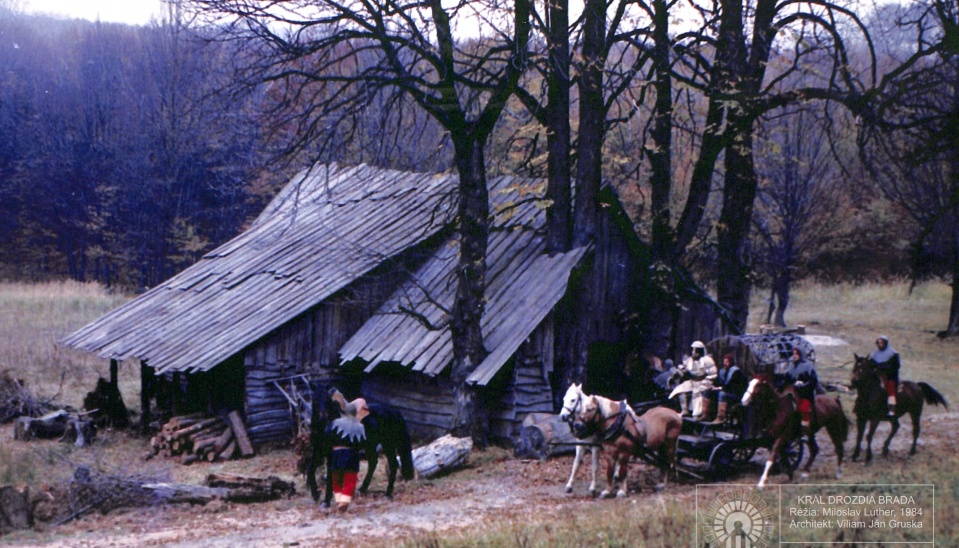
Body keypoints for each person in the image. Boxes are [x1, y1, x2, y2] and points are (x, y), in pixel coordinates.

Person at [326, 400, 367, 511]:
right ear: (355, 413)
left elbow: (327, 436)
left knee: (336, 480)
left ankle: (339, 501)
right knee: (350, 480)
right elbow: (363, 443)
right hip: (352, 456)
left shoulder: (335, 423)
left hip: (337, 455)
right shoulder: (360, 427)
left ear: (344, 411)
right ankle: (343, 504)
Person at [678, 341, 717, 420]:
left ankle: (696, 416)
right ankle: (684, 410)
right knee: (680, 390)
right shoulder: (689, 360)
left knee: (697, 396)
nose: (694, 353)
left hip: (702, 382)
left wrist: (705, 383)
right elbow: (683, 369)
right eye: (693, 350)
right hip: (692, 381)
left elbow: (713, 374)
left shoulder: (707, 360)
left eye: (696, 351)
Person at [783, 347, 818, 434]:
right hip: (792, 392)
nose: (794, 356)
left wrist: (802, 385)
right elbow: (787, 378)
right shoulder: (791, 365)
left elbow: (813, 381)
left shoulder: (808, 366)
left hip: (805, 393)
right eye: (793, 353)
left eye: (796, 354)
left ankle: (805, 429)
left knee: (804, 407)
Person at [709, 353, 748, 424]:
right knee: (708, 391)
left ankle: (721, 417)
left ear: (731, 362)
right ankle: (707, 415)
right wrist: (712, 386)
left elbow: (732, 386)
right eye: (724, 362)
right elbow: (717, 381)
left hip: (734, 394)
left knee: (722, 394)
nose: (725, 364)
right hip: (724, 390)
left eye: (727, 362)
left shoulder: (736, 372)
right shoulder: (722, 371)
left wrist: (720, 388)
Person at [870, 335, 901, 417]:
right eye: (879, 343)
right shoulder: (874, 354)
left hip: (890, 377)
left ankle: (892, 409)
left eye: (882, 343)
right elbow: (871, 365)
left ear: (885, 343)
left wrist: (884, 369)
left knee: (891, 391)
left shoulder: (893, 354)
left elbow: (896, 366)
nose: (880, 345)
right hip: (878, 377)